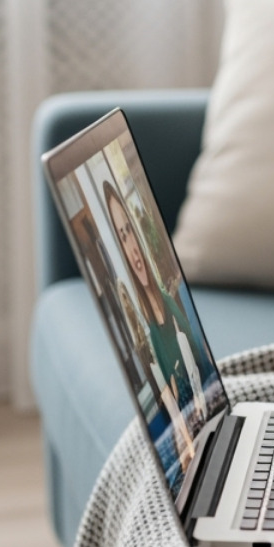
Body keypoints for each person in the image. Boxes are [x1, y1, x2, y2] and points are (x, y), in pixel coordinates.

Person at [103, 178, 203, 466]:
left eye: (129, 232)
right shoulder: (149, 334)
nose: (132, 247)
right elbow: (169, 401)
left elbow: (199, 369)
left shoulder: (169, 304)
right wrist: (183, 437)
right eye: (122, 238)